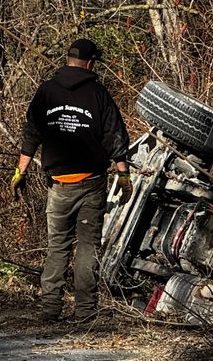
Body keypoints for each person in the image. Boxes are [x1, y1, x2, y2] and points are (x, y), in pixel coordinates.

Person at [12, 38, 130, 323]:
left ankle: (50, 309)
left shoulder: (47, 92)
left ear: (68, 60)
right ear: (90, 64)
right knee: (88, 248)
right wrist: (124, 174)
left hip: (59, 186)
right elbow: (114, 137)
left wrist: (20, 172)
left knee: (58, 247)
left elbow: (31, 134)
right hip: (92, 183)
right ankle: (85, 311)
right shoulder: (98, 93)